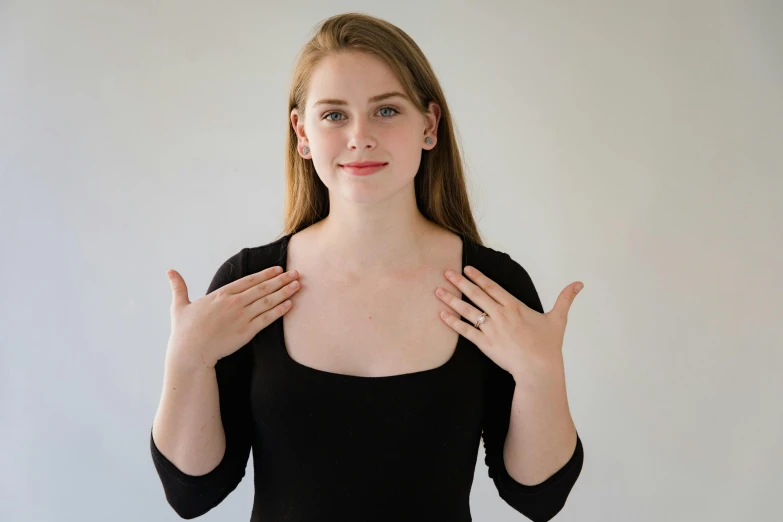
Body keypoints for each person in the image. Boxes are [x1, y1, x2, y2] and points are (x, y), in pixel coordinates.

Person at [150, 12, 584, 522]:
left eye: (386, 111)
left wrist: (541, 374)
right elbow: (192, 494)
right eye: (334, 115)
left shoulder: (489, 288)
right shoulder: (250, 286)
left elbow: (538, 498)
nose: (360, 136)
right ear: (302, 133)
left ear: (429, 126)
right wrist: (187, 361)